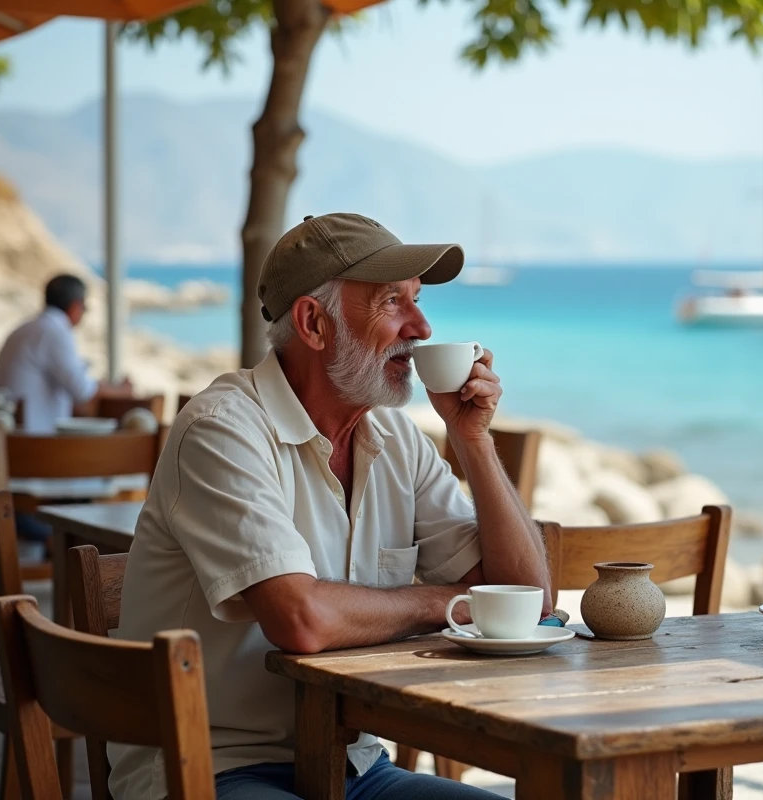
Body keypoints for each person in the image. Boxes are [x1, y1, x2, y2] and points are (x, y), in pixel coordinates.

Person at [109, 214, 551, 800]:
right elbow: (302, 620)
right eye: (393, 302)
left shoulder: (398, 440)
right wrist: (449, 602)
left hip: (355, 766)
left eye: (417, 301)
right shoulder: (223, 429)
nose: (420, 327)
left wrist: (472, 440)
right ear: (314, 323)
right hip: (210, 766)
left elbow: (531, 600)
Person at [0, 273, 132, 433]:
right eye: (84, 307)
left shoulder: (26, 328)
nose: (83, 312)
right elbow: (83, 391)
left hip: (8, 435)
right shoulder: (55, 330)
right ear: (75, 306)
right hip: (32, 441)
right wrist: (123, 390)